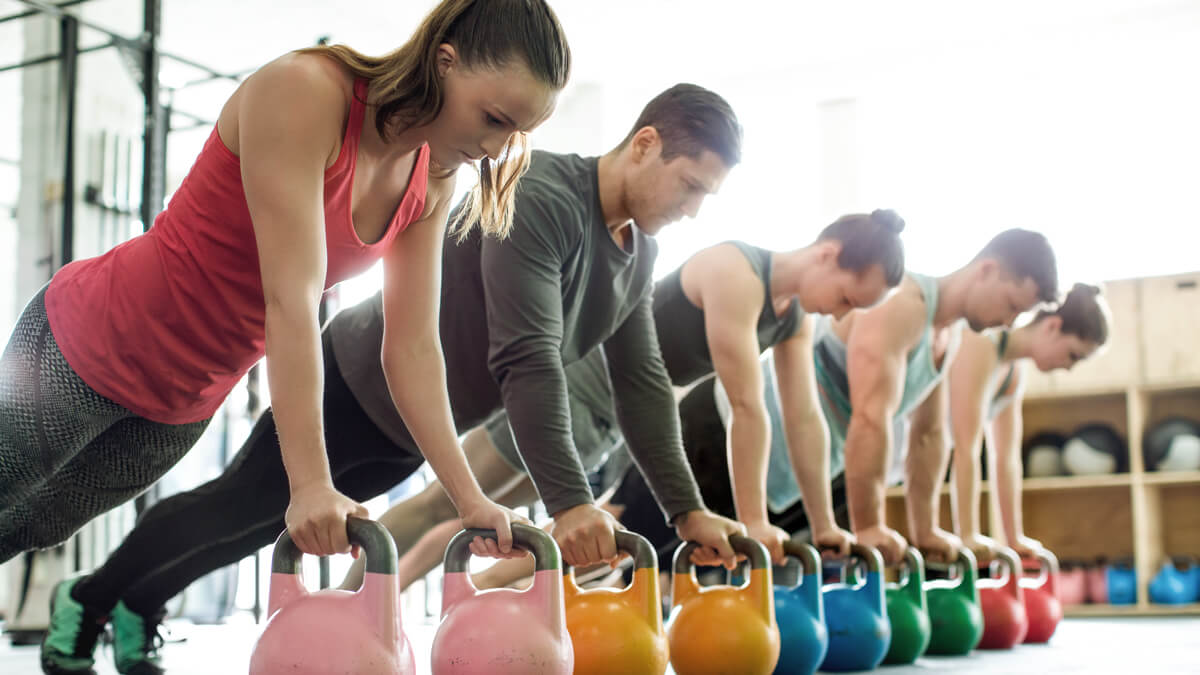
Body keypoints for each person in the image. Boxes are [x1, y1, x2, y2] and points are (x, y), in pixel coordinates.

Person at [40, 81, 747, 674]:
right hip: (355, 376)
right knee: (237, 505)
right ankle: (93, 596)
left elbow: (644, 382)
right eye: (690, 186)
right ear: (646, 143)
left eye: (705, 197)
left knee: (258, 528)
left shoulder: (637, 252)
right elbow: (526, 359)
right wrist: (570, 503)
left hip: (420, 421)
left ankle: (139, 603)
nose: (692, 210)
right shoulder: (545, 197)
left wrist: (686, 510)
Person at [13, 1, 570, 672]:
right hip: (90, 340)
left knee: (36, 524)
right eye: (494, 118)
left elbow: (414, 349)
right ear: (445, 62)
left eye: (516, 133)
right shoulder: (306, 91)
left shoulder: (433, 176)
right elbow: (293, 298)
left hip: (183, 400)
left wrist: (468, 497)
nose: (496, 147)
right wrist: (310, 484)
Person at [340, 210, 909, 590]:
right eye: (844, 298)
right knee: (447, 504)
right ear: (828, 255)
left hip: (610, 425)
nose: (839, 315)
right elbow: (746, 407)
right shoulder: (737, 272)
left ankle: (402, 608)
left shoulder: (791, 320)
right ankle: (351, 600)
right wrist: (755, 520)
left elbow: (806, 422)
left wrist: (824, 521)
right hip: (568, 394)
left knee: (499, 526)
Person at [612, 229, 1060, 569]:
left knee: (668, 562)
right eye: (1013, 304)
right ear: (988, 271)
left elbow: (928, 438)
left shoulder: (950, 337)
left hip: (786, 474)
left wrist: (924, 531)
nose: (1011, 321)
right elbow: (870, 421)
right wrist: (868, 524)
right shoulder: (905, 305)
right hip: (713, 432)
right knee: (613, 539)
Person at [949, 283, 1109, 562]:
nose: (1069, 368)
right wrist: (968, 535)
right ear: (1052, 326)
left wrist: (1014, 539)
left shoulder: (1013, 371)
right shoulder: (983, 344)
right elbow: (966, 448)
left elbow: (1007, 458)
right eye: (1073, 355)